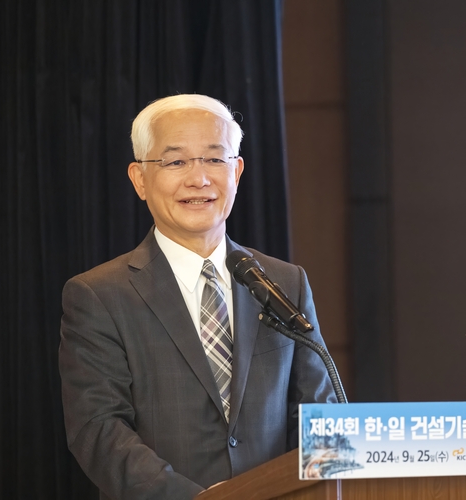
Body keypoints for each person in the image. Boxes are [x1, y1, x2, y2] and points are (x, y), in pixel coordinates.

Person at [59, 94, 337, 500]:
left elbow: (317, 414)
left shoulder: (283, 282)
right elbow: (99, 430)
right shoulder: (99, 295)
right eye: (175, 162)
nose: (199, 179)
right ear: (139, 179)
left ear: (237, 172)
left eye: (214, 159)